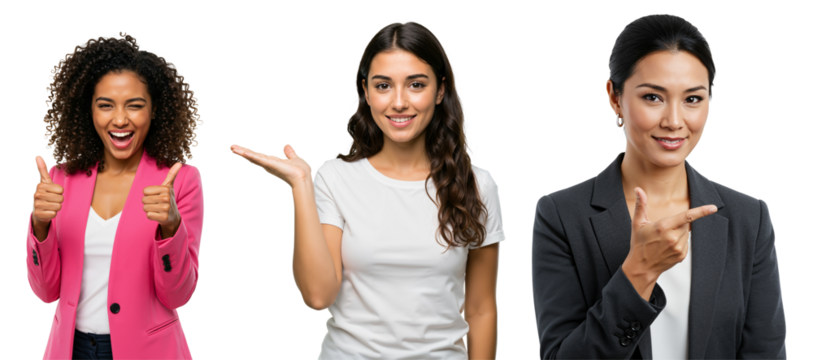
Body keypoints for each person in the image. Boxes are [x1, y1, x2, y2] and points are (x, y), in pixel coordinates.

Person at [229, 20, 504, 359]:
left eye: (416, 84)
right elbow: (317, 297)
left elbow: (480, 310)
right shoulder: (335, 177)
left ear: (440, 90)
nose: (399, 102)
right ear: (365, 91)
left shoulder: (479, 186)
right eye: (384, 85)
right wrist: (301, 186)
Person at [531, 12, 787, 359]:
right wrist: (640, 271)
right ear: (615, 97)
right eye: (653, 97)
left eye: (692, 99)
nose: (674, 121)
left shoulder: (749, 218)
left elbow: (766, 353)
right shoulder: (562, 215)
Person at [26, 31, 204, 360]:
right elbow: (45, 292)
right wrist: (39, 226)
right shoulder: (60, 178)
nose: (120, 119)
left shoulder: (180, 181)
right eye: (105, 105)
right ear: (87, 110)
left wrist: (171, 226)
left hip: (148, 352)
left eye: (135, 106)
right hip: (70, 349)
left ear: (155, 110)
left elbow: (178, 295)